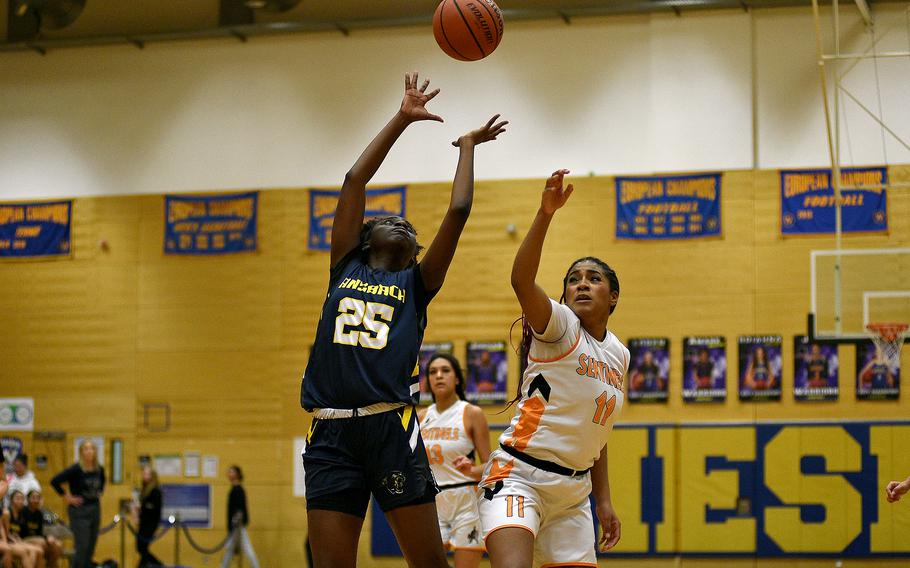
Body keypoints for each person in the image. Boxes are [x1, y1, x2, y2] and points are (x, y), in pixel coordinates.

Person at [299, 71, 507, 568]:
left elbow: (458, 210)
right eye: (390, 220)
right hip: (328, 432)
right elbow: (354, 181)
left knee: (430, 563)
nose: (401, 222)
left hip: (390, 426)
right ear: (367, 239)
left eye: (408, 227)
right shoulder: (344, 264)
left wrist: (467, 146)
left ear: (414, 252)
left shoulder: (417, 285)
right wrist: (402, 118)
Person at [478, 169, 628, 568]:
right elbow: (521, 280)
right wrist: (545, 215)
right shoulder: (561, 326)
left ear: (612, 297)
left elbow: (597, 430)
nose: (581, 284)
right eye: (574, 279)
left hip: (573, 494)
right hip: (518, 477)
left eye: (593, 279)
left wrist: (605, 499)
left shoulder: (619, 354)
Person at [418, 353, 491, 568]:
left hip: (466, 501)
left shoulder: (471, 413)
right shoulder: (421, 417)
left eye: (445, 371)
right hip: (433, 502)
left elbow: (491, 466)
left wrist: (471, 470)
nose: (439, 376)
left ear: (457, 378)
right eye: (433, 372)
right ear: (428, 380)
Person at [50, 439, 104, 568]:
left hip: (95, 508)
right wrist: (67, 497)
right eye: (86, 449)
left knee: (91, 546)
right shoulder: (76, 469)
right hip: (79, 511)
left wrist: (97, 494)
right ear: (81, 452)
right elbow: (55, 481)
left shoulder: (99, 469)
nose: (89, 451)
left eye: (91, 448)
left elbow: (102, 485)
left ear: (95, 452)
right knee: (82, 546)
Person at [220, 465, 259, 568]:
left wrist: (239, 522)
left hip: (238, 525)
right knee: (230, 550)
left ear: (237, 474)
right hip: (235, 525)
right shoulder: (233, 489)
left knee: (246, 549)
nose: (229, 474)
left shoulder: (238, 490)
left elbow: (242, 508)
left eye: (231, 472)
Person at [3, 490, 44, 568]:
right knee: (25, 552)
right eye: (18, 499)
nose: (20, 501)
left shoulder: (21, 513)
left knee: (38, 551)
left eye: (22, 499)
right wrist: (15, 540)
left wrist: (19, 540)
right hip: (8, 542)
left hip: (17, 541)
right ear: (11, 500)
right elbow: (6, 533)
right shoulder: (7, 513)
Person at [132, 467, 163, 567]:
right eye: (144, 473)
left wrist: (141, 508)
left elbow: (152, 508)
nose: (144, 476)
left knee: (142, 547)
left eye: (147, 474)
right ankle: (145, 565)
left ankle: (157, 564)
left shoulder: (155, 491)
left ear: (152, 476)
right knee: (141, 547)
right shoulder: (144, 489)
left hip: (150, 523)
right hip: (144, 522)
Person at [24, 490, 62, 568]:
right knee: (42, 543)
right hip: (24, 539)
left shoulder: (40, 514)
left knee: (57, 545)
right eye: (33, 498)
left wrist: (48, 537)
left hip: (38, 539)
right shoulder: (23, 511)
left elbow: (41, 532)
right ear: (28, 499)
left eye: (38, 498)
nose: (36, 500)